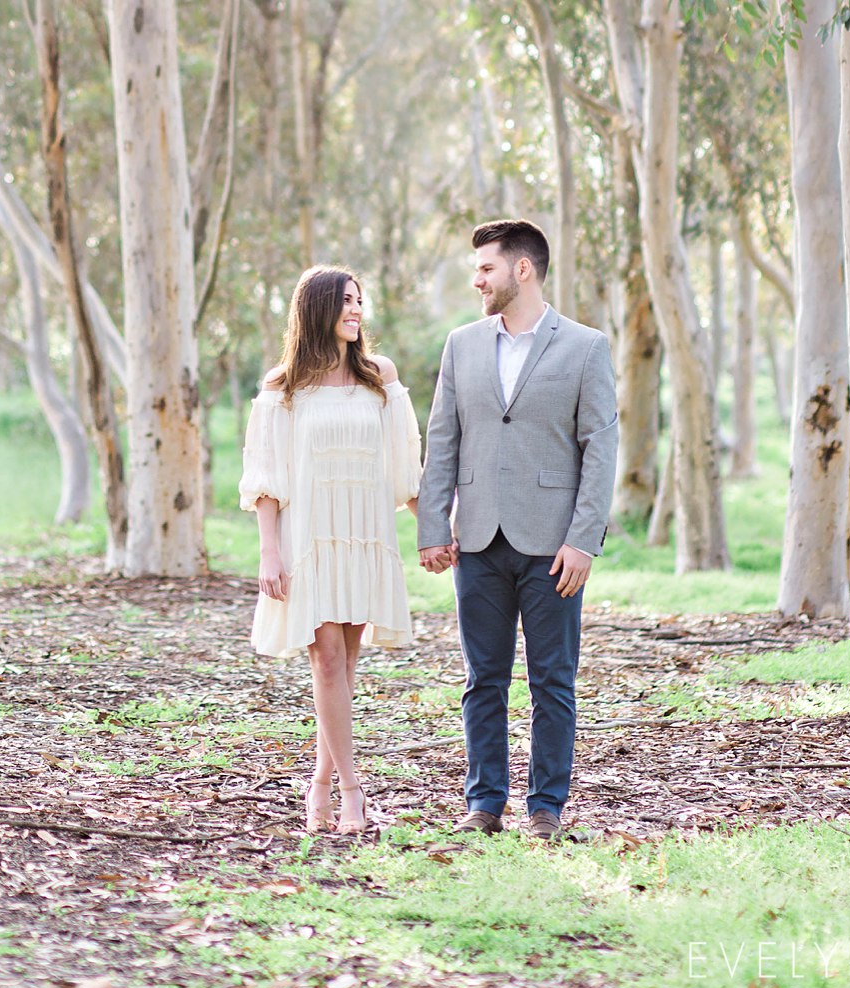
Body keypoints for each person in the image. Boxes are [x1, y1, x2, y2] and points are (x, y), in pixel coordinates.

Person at [417, 218, 618, 841]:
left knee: (552, 681)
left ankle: (545, 809)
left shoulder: (586, 348)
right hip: (475, 541)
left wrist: (584, 540)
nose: (478, 279)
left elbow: (600, 448)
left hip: (553, 547)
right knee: (484, 679)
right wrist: (432, 525)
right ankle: (484, 803)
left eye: (486, 268)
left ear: (521, 269)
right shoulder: (462, 345)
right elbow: (443, 439)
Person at [240, 266, 422, 835]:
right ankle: (351, 792)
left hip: (363, 533)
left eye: (360, 301)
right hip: (310, 535)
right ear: (317, 308)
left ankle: (319, 781)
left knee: (344, 668)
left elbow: (405, 463)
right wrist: (270, 553)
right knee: (325, 660)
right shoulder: (283, 385)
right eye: (346, 301)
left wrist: (436, 529)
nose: (356, 311)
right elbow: (266, 475)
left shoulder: (379, 377)